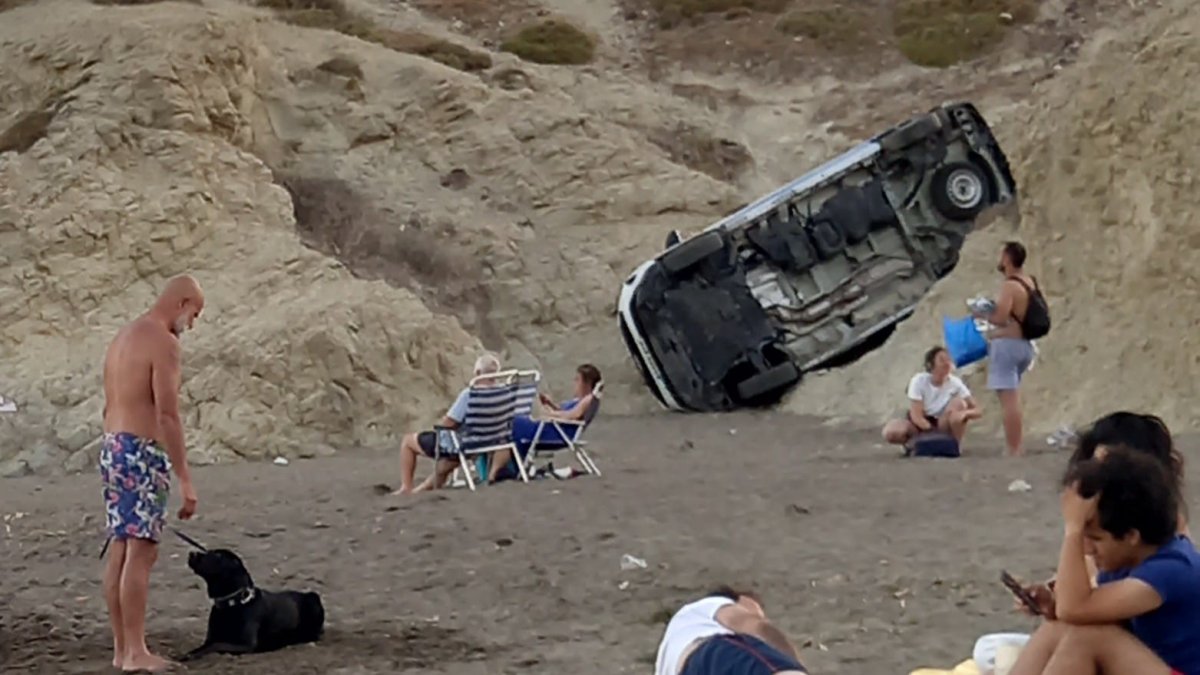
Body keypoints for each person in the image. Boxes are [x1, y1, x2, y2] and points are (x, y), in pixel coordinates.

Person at [1009, 448, 1200, 675]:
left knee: (1088, 638)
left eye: (1095, 539)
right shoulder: (1126, 561)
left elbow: (1075, 608)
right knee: (1059, 628)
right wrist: (1053, 605)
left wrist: (1073, 530)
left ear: (1131, 536)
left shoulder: (1172, 568)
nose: (1087, 549)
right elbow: (1079, 612)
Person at [100, 274, 204, 672]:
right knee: (141, 551)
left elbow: (108, 404)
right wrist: (185, 478)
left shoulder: (123, 337)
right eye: (195, 314)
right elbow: (167, 414)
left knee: (121, 547)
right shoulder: (163, 342)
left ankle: (121, 648)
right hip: (141, 450)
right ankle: (136, 651)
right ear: (181, 303)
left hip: (113, 445)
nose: (192, 324)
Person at [972, 241, 1049, 456]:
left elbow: (1000, 317)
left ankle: (1014, 448)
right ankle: (1016, 445)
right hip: (1024, 345)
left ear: (1007, 258)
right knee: (1012, 397)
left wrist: (982, 313)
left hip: (1008, 346)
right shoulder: (1029, 281)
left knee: (1009, 401)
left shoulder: (1010, 286)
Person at [391, 353, 502, 495]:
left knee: (408, 441)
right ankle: (418, 491)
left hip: (462, 443)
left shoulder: (470, 394)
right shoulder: (501, 393)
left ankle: (406, 487)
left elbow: (448, 423)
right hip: (484, 443)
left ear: (478, 373)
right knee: (445, 465)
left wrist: (444, 422)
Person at [485, 363, 602, 483]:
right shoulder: (581, 400)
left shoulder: (588, 399)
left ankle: (497, 472)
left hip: (556, 434)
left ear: (587, 383)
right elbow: (565, 413)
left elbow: (572, 416)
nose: (575, 383)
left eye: (578, 380)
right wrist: (550, 404)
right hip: (557, 430)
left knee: (513, 425)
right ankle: (499, 471)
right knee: (512, 429)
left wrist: (550, 414)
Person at [654, 586, 809, 675]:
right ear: (743, 600)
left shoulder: (669, 647)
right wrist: (795, 664)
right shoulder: (713, 604)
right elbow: (758, 627)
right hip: (713, 656)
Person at [882, 346, 981, 448]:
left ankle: (955, 446)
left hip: (942, 422)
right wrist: (931, 432)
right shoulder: (919, 380)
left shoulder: (955, 383)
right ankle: (912, 444)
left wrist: (964, 414)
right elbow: (917, 416)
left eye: (948, 359)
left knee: (959, 404)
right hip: (919, 423)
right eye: (942, 360)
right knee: (891, 432)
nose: (946, 363)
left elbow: (977, 410)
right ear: (931, 364)